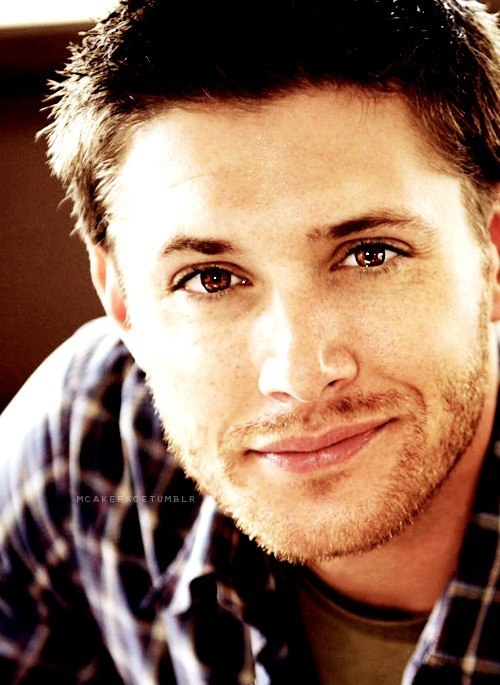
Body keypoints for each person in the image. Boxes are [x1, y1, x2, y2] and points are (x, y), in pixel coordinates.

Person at [1, 0, 499, 682]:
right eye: (210, 279)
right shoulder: (91, 438)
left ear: (492, 251)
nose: (297, 373)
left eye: (371, 254)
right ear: (121, 301)